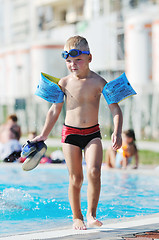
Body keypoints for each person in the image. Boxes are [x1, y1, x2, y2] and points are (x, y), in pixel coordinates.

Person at [32, 36, 123, 230]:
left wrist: (118, 131)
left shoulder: (99, 82)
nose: (73, 65)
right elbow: (54, 110)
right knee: (76, 178)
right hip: (70, 135)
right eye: (69, 61)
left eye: (78, 60)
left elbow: (115, 109)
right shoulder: (64, 83)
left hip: (93, 133)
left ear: (90, 58)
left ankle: (91, 214)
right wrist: (43, 135)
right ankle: (77, 217)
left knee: (95, 172)